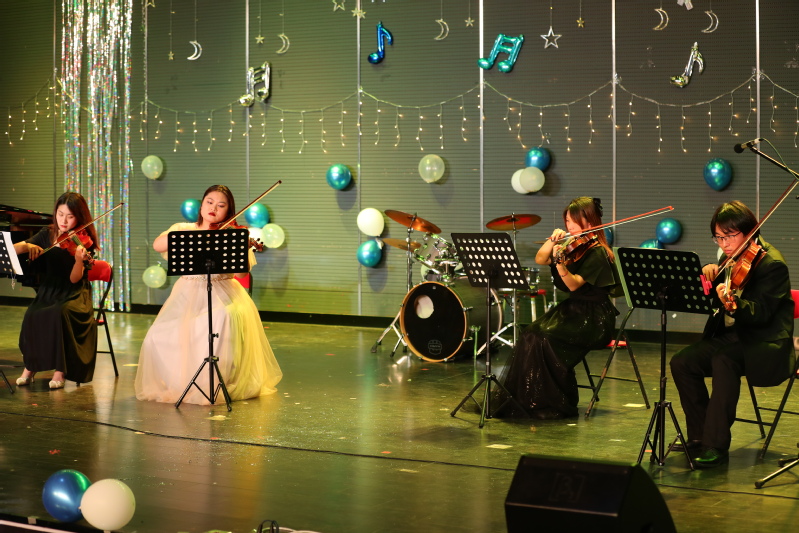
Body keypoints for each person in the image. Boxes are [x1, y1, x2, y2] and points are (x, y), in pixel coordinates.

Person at [670, 201, 794, 468]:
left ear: (749, 231)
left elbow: (762, 314)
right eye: (718, 237)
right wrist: (710, 277)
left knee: (724, 360)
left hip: (764, 341)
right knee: (682, 362)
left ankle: (715, 444)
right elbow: (719, 297)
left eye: (729, 236)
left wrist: (734, 304)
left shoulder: (772, 264)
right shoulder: (728, 258)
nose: (724, 244)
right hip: (734, 336)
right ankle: (700, 434)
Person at [135, 185, 282, 405]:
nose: (214, 208)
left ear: (228, 211)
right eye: (209, 202)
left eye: (221, 205)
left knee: (219, 319)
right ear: (202, 205)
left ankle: (212, 381)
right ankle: (182, 381)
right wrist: (189, 235)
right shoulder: (183, 228)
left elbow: (242, 273)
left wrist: (242, 247)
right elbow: (158, 245)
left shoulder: (232, 234)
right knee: (154, 337)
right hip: (188, 292)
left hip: (223, 291)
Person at [492, 197, 620, 420]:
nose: (569, 226)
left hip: (594, 317)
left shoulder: (597, 252)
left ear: (590, 223)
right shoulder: (574, 246)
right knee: (530, 333)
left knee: (544, 338)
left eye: (573, 221)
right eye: (567, 221)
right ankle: (529, 399)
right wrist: (553, 242)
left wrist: (560, 262)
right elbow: (541, 258)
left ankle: (553, 401)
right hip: (573, 310)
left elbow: (573, 284)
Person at [14, 192, 99, 390]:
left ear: (79, 217)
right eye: (60, 214)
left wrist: (79, 261)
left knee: (59, 313)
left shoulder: (83, 241)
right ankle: (30, 367)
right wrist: (27, 246)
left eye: (70, 216)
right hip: (50, 290)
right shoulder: (48, 233)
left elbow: (74, 279)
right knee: (32, 314)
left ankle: (60, 371)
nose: (64, 221)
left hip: (75, 293)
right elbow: (15, 249)